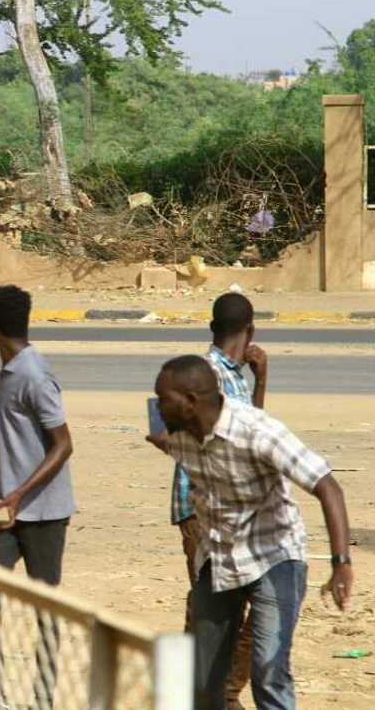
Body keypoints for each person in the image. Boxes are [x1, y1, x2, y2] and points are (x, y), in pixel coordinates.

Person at [151, 355, 352, 710]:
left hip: (274, 556)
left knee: (268, 671)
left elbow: (328, 487)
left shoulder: (258, 432)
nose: (156, 406)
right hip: (219, 556)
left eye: (164, 398)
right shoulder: (177, 436)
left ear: (192, 402)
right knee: (202, 676)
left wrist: (341, 563)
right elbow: (166, 440)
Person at [158, 292, 266, 708]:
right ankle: (211, 693)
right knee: (219, 607)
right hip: (206, 506)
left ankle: (214, 691)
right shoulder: (210, 377)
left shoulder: (233, 375)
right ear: (251, 330)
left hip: (227, 507)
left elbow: (253, 435)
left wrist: (261, 381)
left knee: (235, 603)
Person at [0, 285, 74, 710]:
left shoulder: (33, 375)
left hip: (44, 512)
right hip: (9, 512)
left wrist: (17, 493)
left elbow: (64, 445)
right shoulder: (12, 367)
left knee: (45, 609)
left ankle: (42, 699)